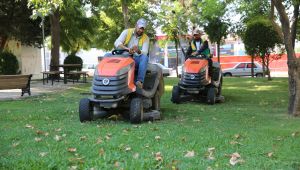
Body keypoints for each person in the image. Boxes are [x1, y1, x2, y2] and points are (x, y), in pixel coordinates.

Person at [112, 18, 150, 89]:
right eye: (140, 28)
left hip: (135, 59)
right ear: (136, 25)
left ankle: (139, 82)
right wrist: (127, 49)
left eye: (143, 29)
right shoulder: (126, 32)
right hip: (123, 57)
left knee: (144, 57)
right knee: (107, 56)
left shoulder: (146, 38)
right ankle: (106, 77)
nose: (141, 30)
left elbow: (145, 52)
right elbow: (117, 43)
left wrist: (138, 50)